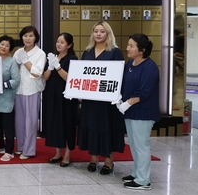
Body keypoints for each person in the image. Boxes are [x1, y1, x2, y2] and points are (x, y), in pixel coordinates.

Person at [78, 21, 125, 175]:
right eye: (95, 31)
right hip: (90, 100)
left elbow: (119, 75)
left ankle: (109, 161)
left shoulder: (115, 52)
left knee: (107, 128)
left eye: (102, 31)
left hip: (107, 101)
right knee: (92, 127)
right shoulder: (88, 51)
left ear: (108, 34)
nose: (98, 34)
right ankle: (93, 159)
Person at [115, 33, 160, 190]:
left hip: (143, 112)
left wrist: (127, 103)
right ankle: (137, 173)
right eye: (128, 45)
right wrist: (120, 99)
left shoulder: (150, 67)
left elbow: (144, 92)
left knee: (141, 145)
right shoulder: (129, 64)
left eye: (131, 46)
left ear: (142, 50)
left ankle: (143, 180)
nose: (127, 48)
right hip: (130, 112)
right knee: (133, 144)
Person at [42, 33, 78, 167]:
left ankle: (67, 154)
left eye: (62, 42)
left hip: (66, 97)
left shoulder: (72, 59)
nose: (59, 44)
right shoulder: (53, 58)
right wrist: (51, 67)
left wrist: (58, 66)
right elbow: (45, 77)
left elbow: (70, 78)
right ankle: (57, 152)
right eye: (58, 42)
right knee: (54, 123)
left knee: (67, 123)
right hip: (52, 95)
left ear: (69, 45)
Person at [12, 26, 46, 160]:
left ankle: (29, 150)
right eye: (25, 36)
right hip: (19, 90)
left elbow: (37, 73)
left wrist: (25, 61)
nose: (27, 38)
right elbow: (13, 69)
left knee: (31, 122)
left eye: (31, 36)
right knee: (19, 122)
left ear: (35, 38)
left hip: (32, 90)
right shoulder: (18, 52)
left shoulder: (40, 53)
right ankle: (20, 147)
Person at [0, 35, 20, 161]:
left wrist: (1, 85)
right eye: (2, 44)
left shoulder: (12, 62)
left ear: (10, 48)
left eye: (7, 46)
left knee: (8, 126)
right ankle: (0, 146)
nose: (4, 47)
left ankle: (9, 151)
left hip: (6, 98)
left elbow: (16, 80)